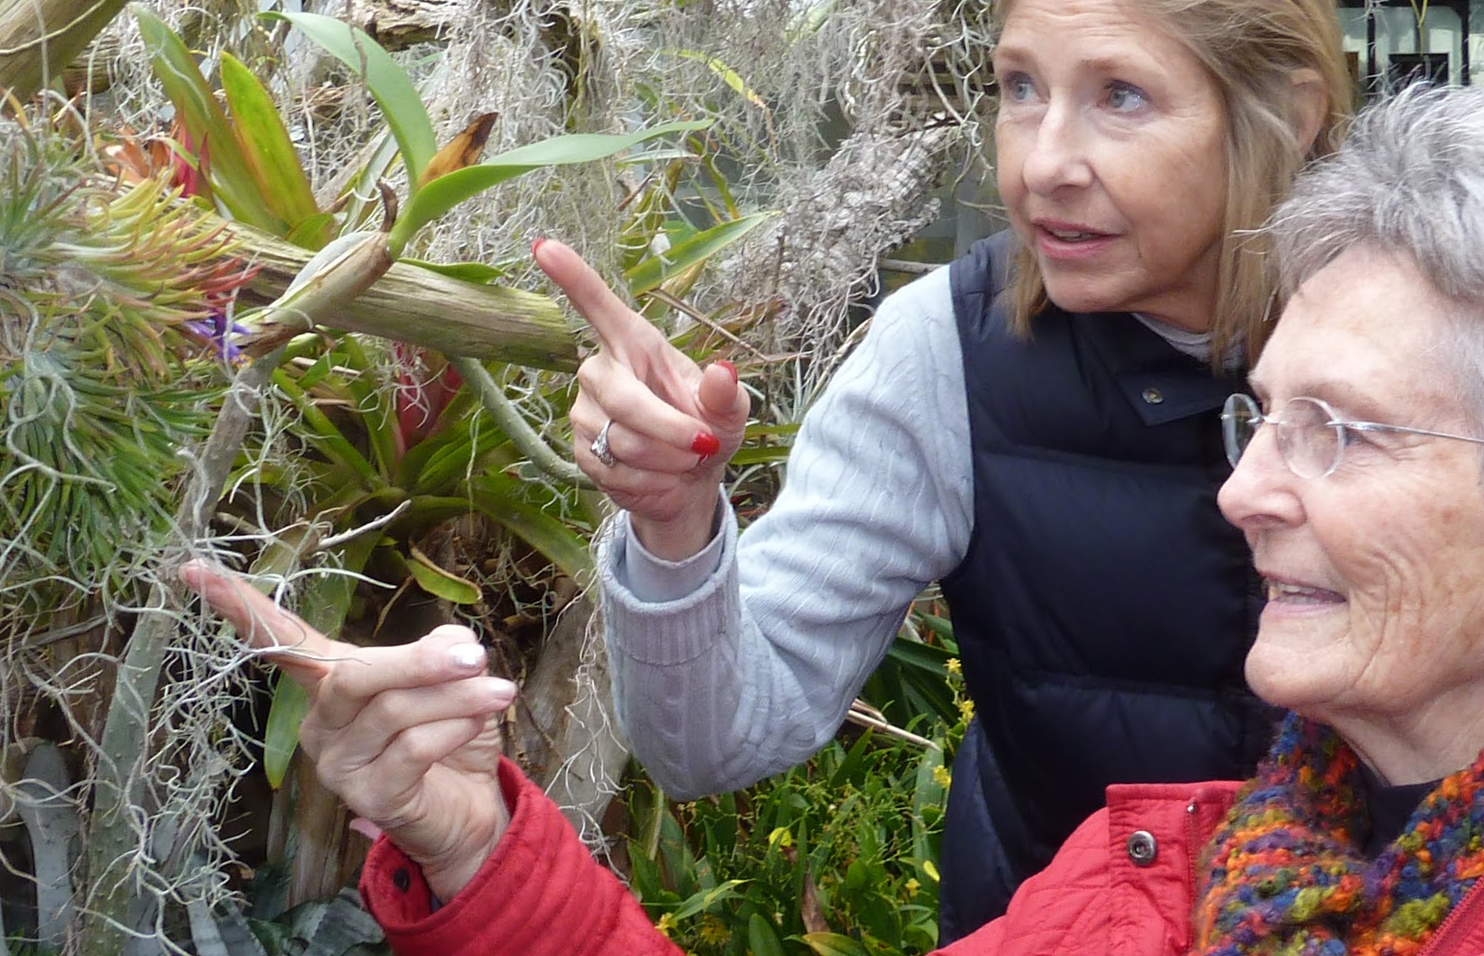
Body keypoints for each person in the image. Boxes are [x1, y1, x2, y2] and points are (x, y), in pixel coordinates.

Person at [185, 82, 1484, 955]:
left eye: (1347, 430)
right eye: (1263, 420)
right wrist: (475, 851)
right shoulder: (1165, 873)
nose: (1244, 489)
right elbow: (717, 724)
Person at [529, 0, 1352, 934]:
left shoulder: (1436, 340)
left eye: (1120, 96)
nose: (1041, 161)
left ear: (1283, 117)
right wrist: (674, 530)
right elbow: (711, 742)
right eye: (1020, 88)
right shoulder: (946, 354)